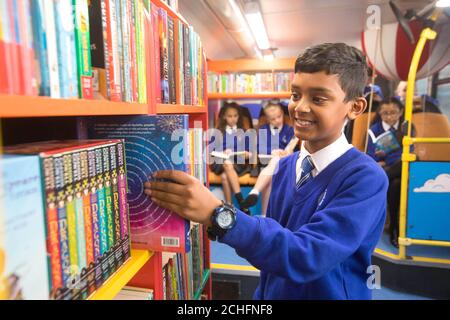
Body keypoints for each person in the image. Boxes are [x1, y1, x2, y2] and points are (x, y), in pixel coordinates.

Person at [144, 43, 388, 300]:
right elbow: (274, 254)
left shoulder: (365, 178)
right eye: (295, 95)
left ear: (355, 107)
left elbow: (308, 255)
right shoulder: (284, 168)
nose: (300, 108)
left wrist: (219, 215)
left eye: (318, 99)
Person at [367, 97, 415, 248]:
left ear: (400, 112)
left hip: (399, 167)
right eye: (385, 113)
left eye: (393, 113)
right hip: (386, 169)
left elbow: (409, 152)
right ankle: (395, 229)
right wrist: (381, 157)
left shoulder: (407, 127)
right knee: (396, 184)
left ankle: (380, 181)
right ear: (380, 114)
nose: (389, 117)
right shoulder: (374, 130)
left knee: (407, 165)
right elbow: (370, 155)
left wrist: (386, 158)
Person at [240, 102, 296, 214]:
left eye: (279, 117)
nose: (277, 120)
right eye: (273, 119)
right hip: (265, 163)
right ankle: (264, 214)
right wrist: (272, 151)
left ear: (282, 114)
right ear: (268, 120)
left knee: (275, 162)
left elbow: (291, 149)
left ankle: (255, 192)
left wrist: (283, 152)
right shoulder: (263, 130)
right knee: (270, 175)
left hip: (284, 163)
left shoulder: (290, 130)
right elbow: (259, 148)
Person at [209, 102, 252, 213]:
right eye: (229, 116)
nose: (233, 119)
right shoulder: (217, 132)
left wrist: (247, 153)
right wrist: (222, 152)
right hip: (220, 162)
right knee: (227, 163)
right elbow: (212, 151)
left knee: (224, 177)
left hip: (238, 162)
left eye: (235, 116)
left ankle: (229, 207)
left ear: (239, 116)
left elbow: (249, 152)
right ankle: (241, 201)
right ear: (224, 117)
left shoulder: (243, 132)